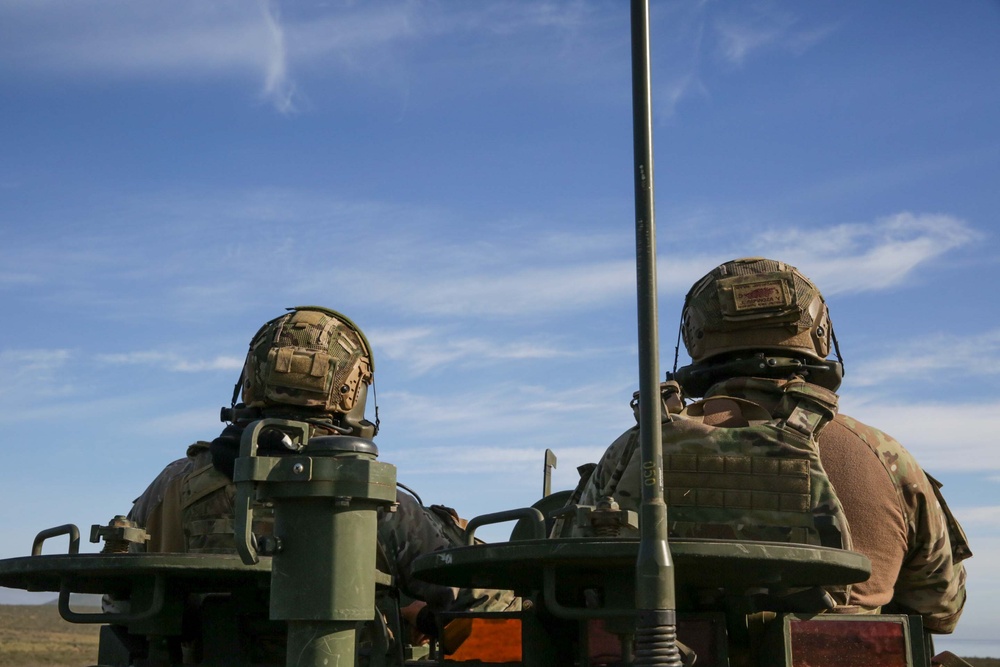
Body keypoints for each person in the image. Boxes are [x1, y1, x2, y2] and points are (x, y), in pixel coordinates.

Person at [570, 257, 970, 634]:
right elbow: (940, 609)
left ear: (695, 338)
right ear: (820, 335)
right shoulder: (882, 454)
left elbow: (573, 575)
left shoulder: (638, 447)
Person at [126, 306, 517, 657]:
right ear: (352, 393)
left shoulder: (173, 483)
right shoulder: (375, 498)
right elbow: (486, 607)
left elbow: (123, 602)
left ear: (251, 381)